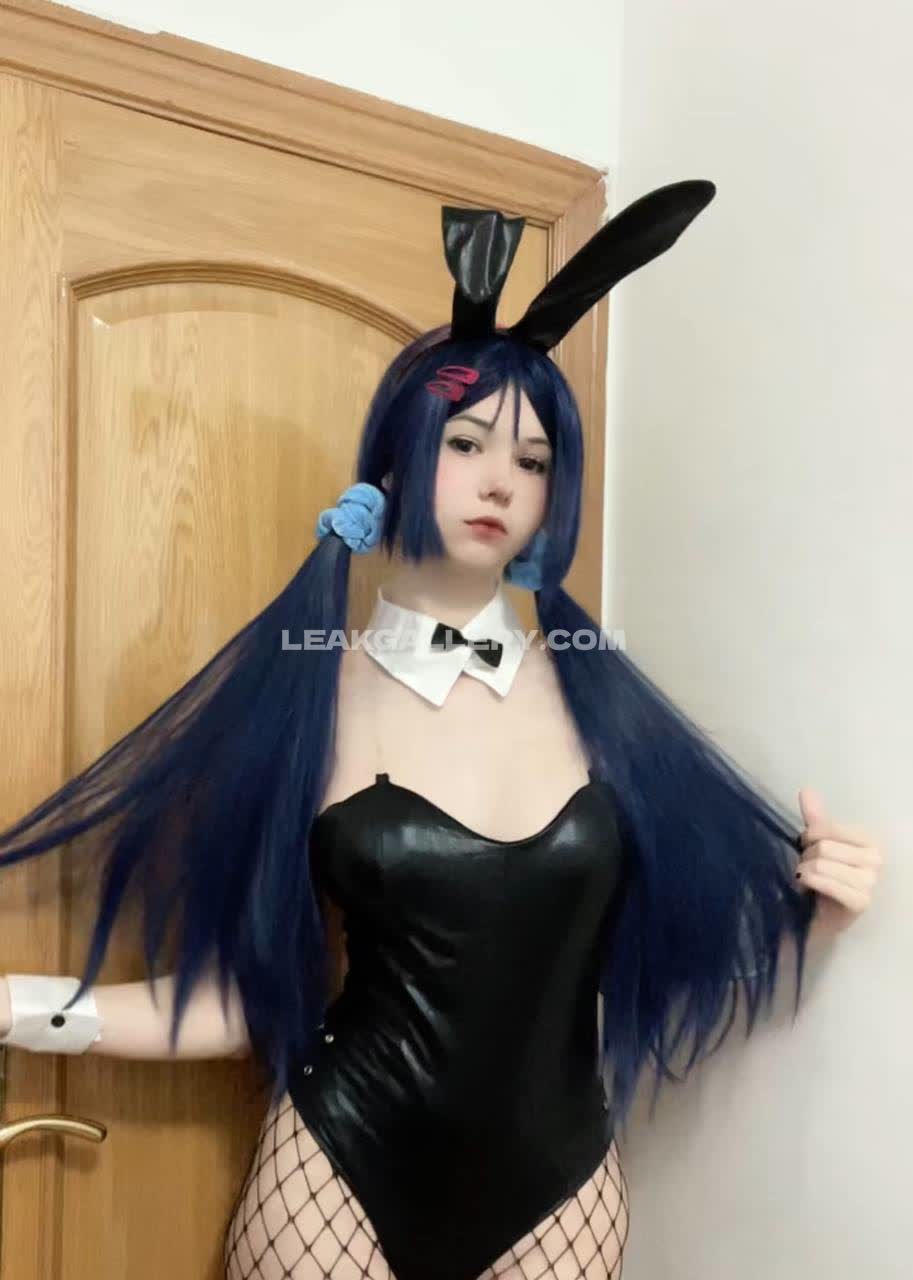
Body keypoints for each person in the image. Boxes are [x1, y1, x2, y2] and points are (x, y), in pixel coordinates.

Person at [0, 183, 884, 1280]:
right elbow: (238, 997)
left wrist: (818, 910)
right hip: (333, 1181)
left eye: (533, 460)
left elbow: (669, 951)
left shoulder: (605, 704)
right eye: (466, 442)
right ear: (393, 464)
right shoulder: (308, 697)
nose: (500, 481)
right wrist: (16, 1007)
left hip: (561, 1195)